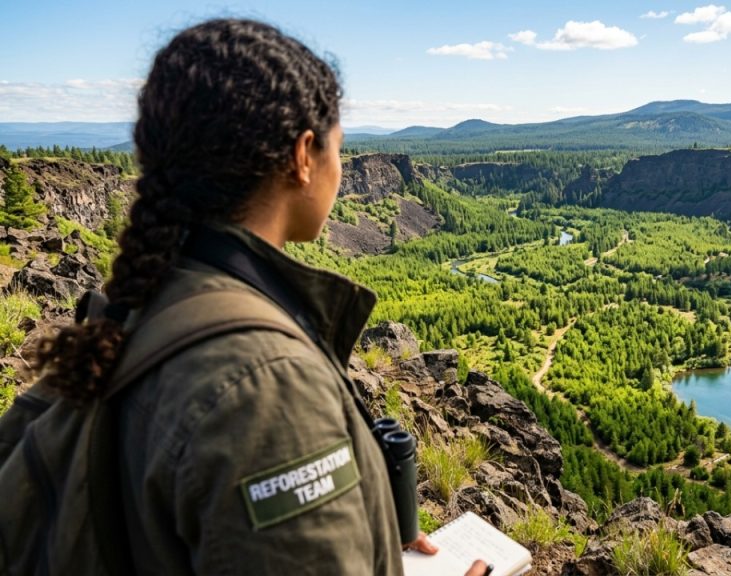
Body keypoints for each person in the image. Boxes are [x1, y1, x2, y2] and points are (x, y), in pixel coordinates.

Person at [33, 18, 487, 575]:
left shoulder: (140, 309)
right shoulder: (265, 385)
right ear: (303, 156)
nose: (341, 170)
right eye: (339, 149)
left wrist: (364, 535)